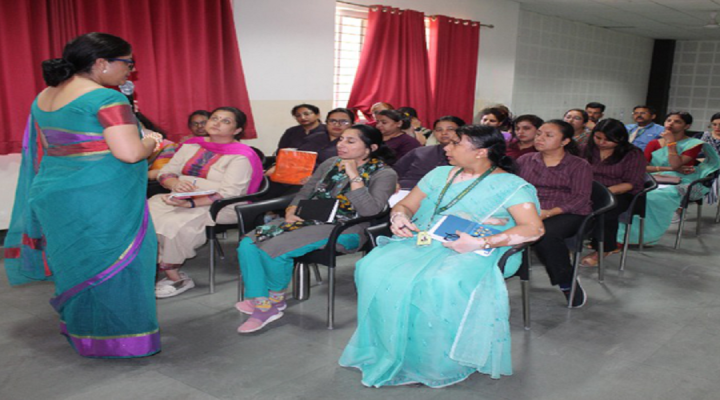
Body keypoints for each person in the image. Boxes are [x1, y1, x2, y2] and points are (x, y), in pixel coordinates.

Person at [339, 125, 544, 386]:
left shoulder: (511, 186)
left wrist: (480, 242)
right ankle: (390, 347)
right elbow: (406, 204)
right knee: (371, 267)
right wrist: (399, 216)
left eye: (456, 143)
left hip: (480, 248)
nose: (446, 147)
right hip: (427, 239)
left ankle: (435, 360)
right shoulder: (439, 174)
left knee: (439, 281)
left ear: (481, 152)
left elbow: (534, 229)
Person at [3, 32, 162, 358]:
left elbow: (51, 147)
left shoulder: (45, 95)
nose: (130, 71)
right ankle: (122, 340)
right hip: (101, 199)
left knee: (76, 262)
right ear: (101, 63)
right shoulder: (106, 99)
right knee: (120, 263)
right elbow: (130, 153)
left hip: (56, 195)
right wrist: (153, 140)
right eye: (128, 63)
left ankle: (84, 332)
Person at [235, 125, 398, 333]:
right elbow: (306, 192)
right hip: (308, 219)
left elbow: (370, 211)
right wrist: (291, 210)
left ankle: (272, 303)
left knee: (273, 249)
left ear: (370, 148)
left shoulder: (384, 173)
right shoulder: (331, 163)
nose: (341, 144)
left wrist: (353, 175)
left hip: (346, 228)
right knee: (248, 244)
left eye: (350, 141)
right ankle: (261, 299)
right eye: (341, 139)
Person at [150, 107, 264, 298]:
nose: (217, 123)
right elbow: (166, 172)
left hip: (222, 205)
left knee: (172, 224)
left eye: (226, 121)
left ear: (237, 130)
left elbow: (230, 192)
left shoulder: (240, 155)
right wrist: (175, 184)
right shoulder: (191, 145)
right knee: (144, 214)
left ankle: (175, 277)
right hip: (180, 198)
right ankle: (150, 265)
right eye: (214, 118)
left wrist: (191, 203)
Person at [517, 120, 593, 307]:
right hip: (531, 210)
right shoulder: (525, 160)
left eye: (548, 135)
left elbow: (581, 198)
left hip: (567, 211)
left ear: (565, 141)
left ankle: (566, 281)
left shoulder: (579, 165)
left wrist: (549, 213)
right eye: (539, 134)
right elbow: (515, 188)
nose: (540, 138)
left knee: (546, 235)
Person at [618, 111, 720, 245]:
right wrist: (667, 169)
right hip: (654, 178)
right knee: (632, 193)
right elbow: (644, 167)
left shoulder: (693, 144)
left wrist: (671, 143)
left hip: (681, 180)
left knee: (656, 196)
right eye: (668, 120)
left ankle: (647, 237)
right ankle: (623, 235)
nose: (671, 124)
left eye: (677, 121)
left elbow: (676, 164)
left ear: (687, 126)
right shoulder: (654, 143)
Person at [579, 119, 646, 267]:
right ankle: (572, 242)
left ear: (620, 138)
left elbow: (631, 183)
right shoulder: (585, 149)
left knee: (604, 211)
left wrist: (602, 193)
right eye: (598, 138)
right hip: (588, 190)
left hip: (621, 193)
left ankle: (604, 248)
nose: (601, 143)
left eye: (608, 140)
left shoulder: (632, 154)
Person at [393, 115, 465, 189]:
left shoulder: (466, 156)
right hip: (402, 189)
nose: (444, 133)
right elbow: (395, 171)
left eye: (450, 129)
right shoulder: (419, 151)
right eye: (439, 130)